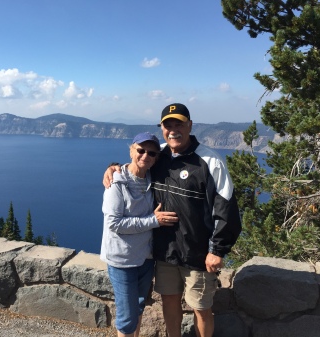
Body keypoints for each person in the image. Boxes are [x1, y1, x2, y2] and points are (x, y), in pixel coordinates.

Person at [103, 103, 242, 337]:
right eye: (168, 125)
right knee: (169, 302)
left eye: (179, 124)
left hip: (198, 253)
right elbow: (136, 165)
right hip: (165, 251)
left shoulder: (209, 160)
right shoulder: (160, 154)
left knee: (201, 308)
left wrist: (217, 249)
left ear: (190, 125)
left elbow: (226, 208)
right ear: (162, 128)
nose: (173, 130)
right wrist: (112, 168)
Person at [100, 132, 178, 337]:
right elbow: (114, 223)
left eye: (152, 153)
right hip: (122, 260)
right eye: (140, 150)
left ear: (157, 157)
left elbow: (175, 141)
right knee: (126, 317)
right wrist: (154, 221)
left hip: (145, 257)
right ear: (131, 150)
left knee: (139, 307)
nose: (145, 156)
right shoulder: (116, 182)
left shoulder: (152, 179)